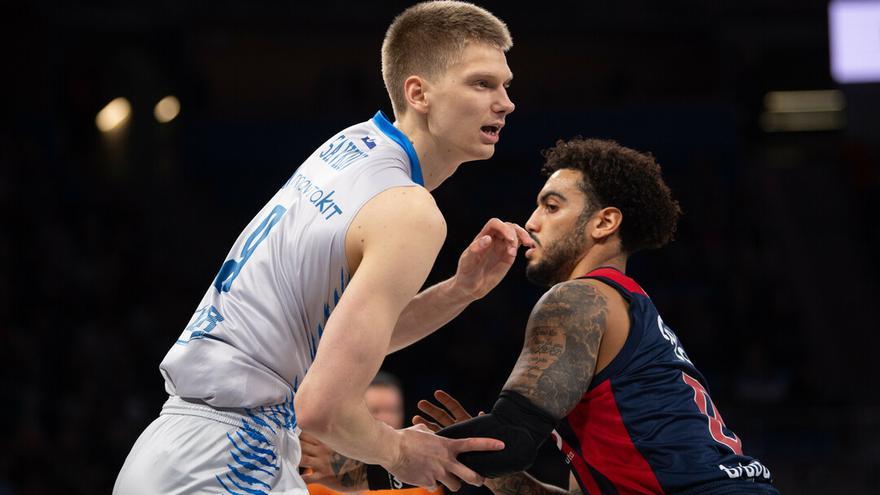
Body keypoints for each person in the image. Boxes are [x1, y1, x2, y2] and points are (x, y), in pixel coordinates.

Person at [113, 2, 532, 494]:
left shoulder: (349, 147)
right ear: (418, 92)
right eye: (482, 84)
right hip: (228, 460)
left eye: (505, 85)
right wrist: (404, 451)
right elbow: (323, 407)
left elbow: (330, 345)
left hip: (175, 447)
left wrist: (461, 290)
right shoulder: (411, 211)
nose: (505, 102)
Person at [309, 138, 780, 494]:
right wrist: (505, 477)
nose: (531, 221)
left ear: (604, 223)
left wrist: (366, 465)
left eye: (551, 206)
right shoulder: (626, 308)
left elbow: (511, 436)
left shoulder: (578, 299)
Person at [302, 372, 443, 495]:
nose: (387, 419)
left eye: (392, 410)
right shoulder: (326, 470)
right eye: (376, 410)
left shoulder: (419, 473)